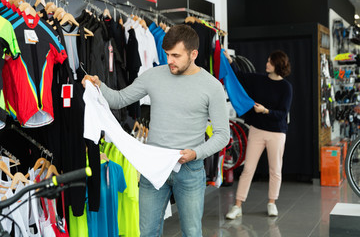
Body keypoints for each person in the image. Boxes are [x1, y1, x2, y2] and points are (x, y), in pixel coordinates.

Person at [82, 24, 230, 236]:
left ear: (194, 54)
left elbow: (223, 135)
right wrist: (98, 85)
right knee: (148, 232)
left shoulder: (212, 86)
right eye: (167, 54)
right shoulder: (153, 76)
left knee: (191, 232)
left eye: (176, 55)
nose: (169, 60)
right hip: (153, 167)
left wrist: (196, 153)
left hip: (189, 168)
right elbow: (120, 99)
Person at [224, 50, 293, 219]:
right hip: (257, 130)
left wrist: (265, 110)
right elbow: (239, 76)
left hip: (277, 133)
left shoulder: (286, 87)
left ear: (278, 65)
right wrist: (229, 60)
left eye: (270, 61)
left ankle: (272, 203)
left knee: (275, 170)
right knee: (248, 169)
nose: (266, 63)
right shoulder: (258, 79)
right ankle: (237, 206)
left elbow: (282, 114)